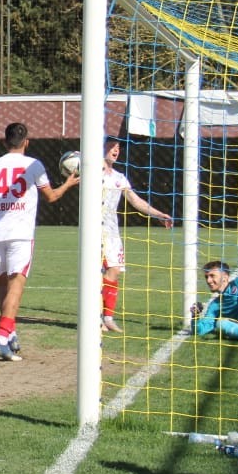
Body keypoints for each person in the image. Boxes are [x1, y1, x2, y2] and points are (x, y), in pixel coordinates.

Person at [0, 122, 79, 361]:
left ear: (4, 142)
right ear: (27, 142)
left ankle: (10, 334)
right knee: (16, 286)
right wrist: (68, 183)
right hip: (20, 234)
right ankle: (2, 338)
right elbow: (52, 196)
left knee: (2, 286)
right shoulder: (34, 165)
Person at [100, 137, 173, 333]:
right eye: (111, 146)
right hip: (96, 230)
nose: (115, 150)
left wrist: (158, 214)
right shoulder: (90, 172)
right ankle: (100, 317)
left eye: (118, 148)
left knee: (114, 272)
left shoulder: (119, 177)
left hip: (113, 231)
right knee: (106, 271)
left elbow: (135, 201)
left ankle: (107, 317)